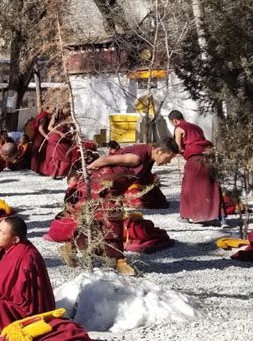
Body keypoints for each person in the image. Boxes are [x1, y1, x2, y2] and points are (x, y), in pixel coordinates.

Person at [77, 137, 179, 276]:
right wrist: (87, 169)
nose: (168, 162)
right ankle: (119, 261)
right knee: (113, 223)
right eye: (169, 157)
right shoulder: (137, 158)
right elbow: (107, 160)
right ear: (159, 151)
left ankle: (76, 246)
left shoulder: (148, 157)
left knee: (100, 221)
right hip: (104, 186)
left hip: (113, 189)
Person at [169, 110, 223, 224]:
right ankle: (214, 215)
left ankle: (188, 216)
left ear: (174, 120)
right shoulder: (196, 127)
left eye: (172, 123)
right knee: (209, 185)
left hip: (194, 159)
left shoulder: (179, 128)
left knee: (189, 186)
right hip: (208, 156)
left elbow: (178, 148)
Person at [41, 107, 74, 178]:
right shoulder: (56, 116)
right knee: (55, 157)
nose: (68, 111)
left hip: (64, 138)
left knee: (66, 155)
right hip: (55, 138)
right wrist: (59, 133)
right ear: (63, 108)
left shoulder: (69, 116)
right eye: (67, 109)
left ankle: (63, 172)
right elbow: (49, 128)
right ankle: (53, 174)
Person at [31, 107, 51, 174]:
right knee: (41, 154)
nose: (53, 111)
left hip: (37, 138)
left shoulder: (42, 115)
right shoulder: (43, 117)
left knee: (38, 154)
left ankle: (37, 169)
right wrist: (47, 137)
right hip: (40, 138)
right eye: (53, 109)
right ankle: (41, 170)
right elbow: (40, 128)